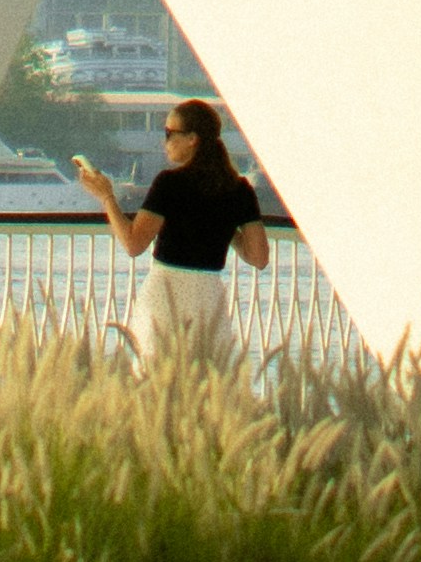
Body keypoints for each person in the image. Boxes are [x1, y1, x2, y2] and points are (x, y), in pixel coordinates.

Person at [70, 98, 274, 371]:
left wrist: (107, 197)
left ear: (192, 138)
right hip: (208, 298)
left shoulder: (169, 183)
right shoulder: (239, 190)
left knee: (155, 382)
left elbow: (133, 244)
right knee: (209, 380)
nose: (164, 141)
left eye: (169, 133)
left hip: (165, 293)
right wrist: (227, 228)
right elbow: (259, 258)